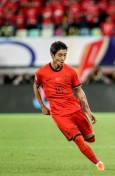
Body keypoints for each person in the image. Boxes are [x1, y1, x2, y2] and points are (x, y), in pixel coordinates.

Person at [33, 41, 105, 171]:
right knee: (78, 139)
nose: (62, 58)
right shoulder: (41, 72)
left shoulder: (71, 71)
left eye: (65, 55)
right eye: (60, 55)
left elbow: (79, 91)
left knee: (91, 139)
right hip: (59, 114)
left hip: (75, 109)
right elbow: (36, 86)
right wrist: (42, 106)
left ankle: (80, 135)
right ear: (52, 54)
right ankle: (98, 163)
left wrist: (88, 111)